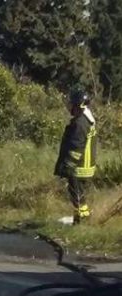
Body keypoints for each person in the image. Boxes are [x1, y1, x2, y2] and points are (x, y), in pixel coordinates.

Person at [55, 89, 97, 224]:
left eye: (72, 104)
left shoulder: (80, 123)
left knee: (77, 196)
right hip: (85, 165)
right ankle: (81, 218)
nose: (70, 107)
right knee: (79, 195)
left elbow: (76, 147)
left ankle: (82, 220)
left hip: (79, 167)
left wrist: (67, 167)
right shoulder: (86, 119)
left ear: (79, 106)